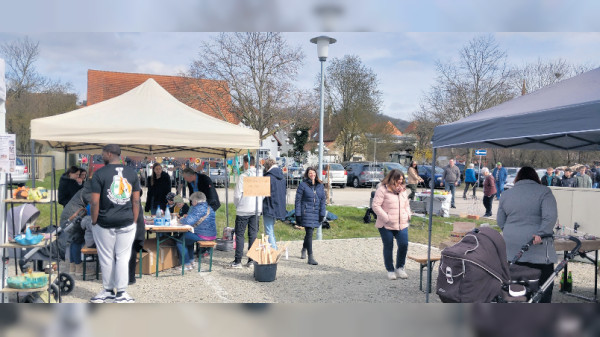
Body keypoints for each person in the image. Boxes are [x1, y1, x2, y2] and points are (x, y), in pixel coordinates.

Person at [497, 166, 557, 303]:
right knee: (544, 281)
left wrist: (510, 231)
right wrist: (541, 233)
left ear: (517, 178)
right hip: (537, 246)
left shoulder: (506, 194)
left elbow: (500, 220)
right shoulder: (544, 192)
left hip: (511, 246)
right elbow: (550, 216)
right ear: (535, 177)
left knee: (515, 280)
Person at [89, 144, 141, 303]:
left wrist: (94, 220)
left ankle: (109, 290)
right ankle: (122, 293)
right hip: (126, 221)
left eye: (103, 153)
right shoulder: (132, 173)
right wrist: (134, 220)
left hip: (104, 221)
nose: (101, 155)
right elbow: (136, 200)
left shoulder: (99, 174)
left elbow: (95, 202)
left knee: (106, 257)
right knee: (123, 257)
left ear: (110, 154)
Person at [371, 169, 411, 280]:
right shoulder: (382, 190)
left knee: (403, 244)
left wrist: (408, 214)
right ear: (392, 179)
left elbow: (406, 204)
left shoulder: (403, 191)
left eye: (402, 180)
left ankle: (400, 267)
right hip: (386, 224)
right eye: (398, 179)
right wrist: (386, 217)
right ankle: (390, 269)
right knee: (388, 246)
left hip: (402, 223)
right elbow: (375, 206)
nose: (400, 182)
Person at [230, 155, 262, 269]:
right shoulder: (260, 175)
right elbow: (262, 195)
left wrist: (237, 205)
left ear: (246, 163)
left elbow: (237, 195)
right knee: (253, 234)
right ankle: (251, 260)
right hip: (256, 209)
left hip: (243, 209)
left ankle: (238, 261)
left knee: (240, 235)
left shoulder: (243, 176)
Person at [295, 167, 327, 266]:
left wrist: (322, 213)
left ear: (316, 174)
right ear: (307, 174)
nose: (312, 174)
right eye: (310, 173)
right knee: (309, 233)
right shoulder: (303, 185)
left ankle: (304, 248)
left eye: (313, 172)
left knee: (309, 233)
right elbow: (298, 201)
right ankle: (311, 257)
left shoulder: (320, 185)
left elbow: (322, 201)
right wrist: (298, 214)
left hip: (316, 212)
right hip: (306, 212)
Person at [178, 192, 217, 271]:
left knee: (180, 241)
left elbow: (189, 221)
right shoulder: (209, 207)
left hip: (203, 235)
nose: (191, 203)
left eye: (192, 201)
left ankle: (186, 264)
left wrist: (180, 220)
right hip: (212, 234)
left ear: (195, 201)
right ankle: (191, 261)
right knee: (188, 238)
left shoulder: (198, 208)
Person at [61, 181, 93, 275]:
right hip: (75, 216)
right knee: (77, 240)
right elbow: (94, 204)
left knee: (73, 241)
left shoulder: (86, 189)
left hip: (69, 215)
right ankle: (79, 267)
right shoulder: (89, 191)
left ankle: (73, 266)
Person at [262, 158, 287, 250]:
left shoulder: (268, 177)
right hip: (278, 206)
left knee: (269, 230)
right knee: (271, 230)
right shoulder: (282, 177)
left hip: (268, 206)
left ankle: (273, 250)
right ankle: (273, 248)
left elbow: (263, 194)